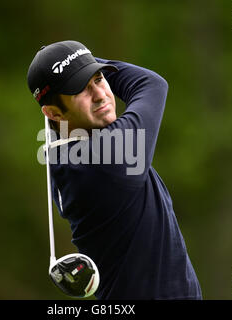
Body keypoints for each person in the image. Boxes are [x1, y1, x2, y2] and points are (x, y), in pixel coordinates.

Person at [27, 40, 202, 299]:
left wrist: (75, 62)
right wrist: (80, 61)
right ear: (54, 113)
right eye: (80, 90)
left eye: (99, 78)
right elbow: (151, 84)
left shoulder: (63, 154)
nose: (99, 94)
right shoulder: (107, 157)